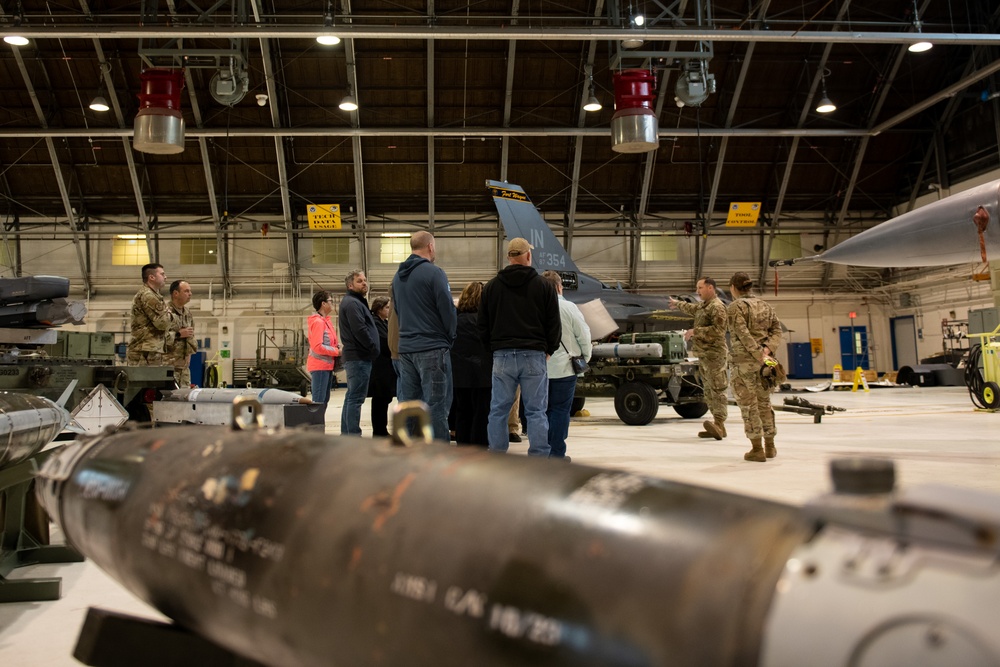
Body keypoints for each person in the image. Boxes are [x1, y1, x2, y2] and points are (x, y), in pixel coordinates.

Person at [478, 237, 561, 457]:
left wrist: (492, 350)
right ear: (527, 255)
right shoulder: (544, 286)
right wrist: (549, 350)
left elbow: (482, 325)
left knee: (498, 410)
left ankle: (497, 455)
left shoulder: (491, 287)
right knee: (536, 412)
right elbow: (553, 323)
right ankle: (539, 456)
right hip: (534, 354)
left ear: (509, 257)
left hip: (502, 356)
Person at [391, 231, 457, 442]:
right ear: (430, 246)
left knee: (409, 406)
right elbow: (447, 310)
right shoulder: (435, 273)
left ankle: (407, 455)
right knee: (436, 406)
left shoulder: (397, 277)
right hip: (432, 347)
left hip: (407, 350)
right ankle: (438, 457)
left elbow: (398, 312)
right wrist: (449, 338)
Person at [727, 271, 783, 462]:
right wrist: (767, 350)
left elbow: (743, 335)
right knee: (764, 404)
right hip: (765, 365)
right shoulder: (765, 306)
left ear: (734, 288)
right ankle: (770, 446)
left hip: (745, 365)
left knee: (749, 406)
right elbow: (777, 330)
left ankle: (757, 449)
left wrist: (757, 353)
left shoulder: (735, 307)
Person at [669, 277, 729, 440]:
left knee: (717, 390)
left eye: (700, 288)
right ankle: (718, 426)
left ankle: (720, 424)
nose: (697, 291)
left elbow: (718, 330)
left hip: (714, 355)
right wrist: (677, 303)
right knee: (709, 392)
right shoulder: (705, 305)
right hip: (705, 355)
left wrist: (695, 331)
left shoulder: (717, 307)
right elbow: (694, 309)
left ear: (710, 288)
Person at [541, 270, 591, 461]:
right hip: (564, 369)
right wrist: (584, 357)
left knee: (540, 411)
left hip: (539, 369)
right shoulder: (569, 307)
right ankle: (557, 453)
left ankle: (541, 451)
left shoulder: (536, 308)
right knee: (560, 410)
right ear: (559, 286)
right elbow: (584, 335)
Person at [450, 282, 492, 446]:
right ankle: (479, 445)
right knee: (481, 412)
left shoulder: (455, 320)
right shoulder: (486, 322)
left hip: (459, 374)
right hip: (483, 374)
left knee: (462, 411)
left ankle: (463, 444)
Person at [339, 270, 379, 436]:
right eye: (359, 281)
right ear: (350, 285)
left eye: (365, 280)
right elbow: (360, 330)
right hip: (358, 357)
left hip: (356, 357)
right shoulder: (353, 303)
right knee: (356, 399)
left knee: (351, 397)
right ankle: (353, 436)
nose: (364, 283)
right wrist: (373, 348)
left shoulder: (354, 302)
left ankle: (347, 434)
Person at [127, 263, 177, 366]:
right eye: (162, 274)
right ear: (151, 277)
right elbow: (163, 324)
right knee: (143, 381)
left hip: (150, 349)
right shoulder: (148, 295)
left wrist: (167, 314)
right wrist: (169, 314)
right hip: (143, 351)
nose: (165, 277)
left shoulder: (155, 295)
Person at [368, 296, 397, 437]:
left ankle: (382, 430)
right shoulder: (375, 323)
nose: (389, 310)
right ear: (379, 309)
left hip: (385, 368)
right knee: (380, 400)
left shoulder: (384, 322)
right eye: (387, 307)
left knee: (384, 399)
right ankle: (379, 431)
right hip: (380, 368)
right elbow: (385, 343)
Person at [306, 290, 341, 409]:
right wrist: (337, 352)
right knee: (319, 403)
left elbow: (330, 342)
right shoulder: (318, 322)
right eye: (330, 301)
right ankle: (315, 427)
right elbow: (317, 347)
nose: (332, 303)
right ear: (323, 304)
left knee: (323, 402)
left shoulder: (325, 322)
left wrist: (338, 347)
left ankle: (319, 426)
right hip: (320, 367)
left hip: (326, 366)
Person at [164, 280, 196, 387]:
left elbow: (191, 336)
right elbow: (157, 339)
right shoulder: (165, 312)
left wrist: (189, 355)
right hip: (167, 367)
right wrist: (178, 334)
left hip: (184, 368)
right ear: (175, 293)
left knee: (185, 399)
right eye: (186, 291)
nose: (190, 294)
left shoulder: (187, 313)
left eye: (190, 291)